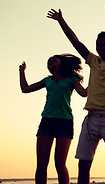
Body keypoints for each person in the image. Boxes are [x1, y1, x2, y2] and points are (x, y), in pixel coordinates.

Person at [47, 1, 105, 184]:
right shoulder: (93, 60)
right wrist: (61, 20)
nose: (101, 48)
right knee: (83, 164)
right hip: (91, 118)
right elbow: (75, 41)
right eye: (98, 45)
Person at [19, 54, 87, 184]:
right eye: (49, 61)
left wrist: (97, 79)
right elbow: (25, 89)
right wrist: (22, 72)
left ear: (62, 63)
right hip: (47, 122)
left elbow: (84, 93)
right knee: (41, 164)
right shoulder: (47, 80)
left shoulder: (71, 79)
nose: (51, 61)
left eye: (54, 59)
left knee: (60, 164)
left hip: (65, 122)